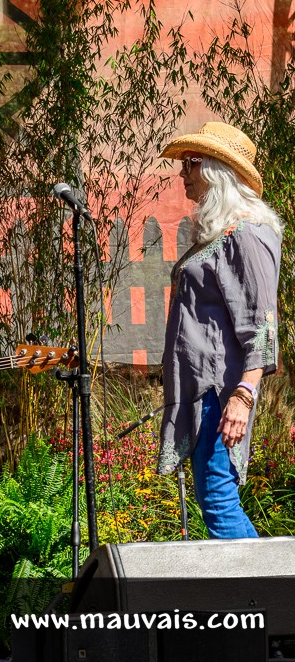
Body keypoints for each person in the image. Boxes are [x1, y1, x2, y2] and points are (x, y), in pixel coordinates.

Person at [157, 121, 283, 538]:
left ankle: (271, 582)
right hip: (202, 391)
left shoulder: (246, 234)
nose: (182, 173)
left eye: (191, 163)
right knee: (215, 499)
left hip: (220, 393)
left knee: (218, 501)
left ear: (217, 170)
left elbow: (262, 326)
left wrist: (243, 397)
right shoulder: (219, 234)